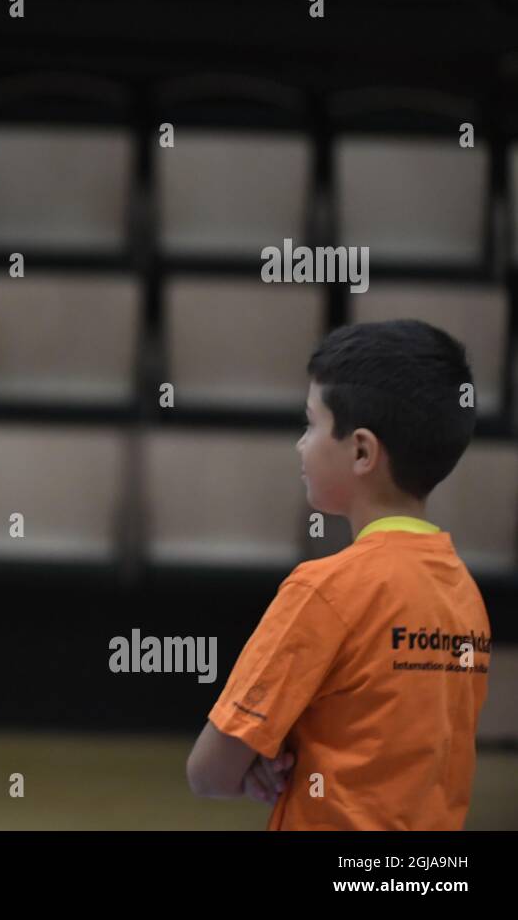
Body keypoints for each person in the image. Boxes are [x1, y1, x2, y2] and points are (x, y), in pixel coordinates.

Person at [186, 320, 491, 830]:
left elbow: (210, 771)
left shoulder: (323, 591)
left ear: (362, 451)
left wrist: (258, 761)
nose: (300, 446)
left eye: (311, 425)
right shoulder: (464, 595)